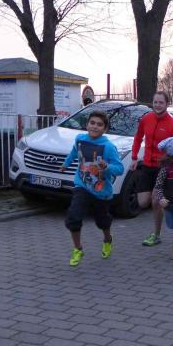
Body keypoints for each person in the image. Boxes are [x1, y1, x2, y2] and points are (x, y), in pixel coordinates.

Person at [61, 111, 124, 266]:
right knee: (73, 217)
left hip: (101, 191)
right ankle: (78, 249)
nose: (95, 127)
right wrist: (66, 164)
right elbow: (74, 152)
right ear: (87, 124)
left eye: (99, 124)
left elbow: (119, 169)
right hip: (82, 185)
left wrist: (107, 166)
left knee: (102, 221)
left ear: (105, 129)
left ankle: (107, 240)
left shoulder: (108, 147)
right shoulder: (80, 139)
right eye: (92, 123)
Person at [130, 91, 173, 247]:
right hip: (147, 166)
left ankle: (156, 234)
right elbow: (138, 137)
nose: (158, 105)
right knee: (142, 203)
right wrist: (134, 157)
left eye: (161, 102)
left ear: (167, 104)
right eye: (155, 102)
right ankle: (165, 206)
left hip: (163, 168)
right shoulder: (146, 119)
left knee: (155, 201)